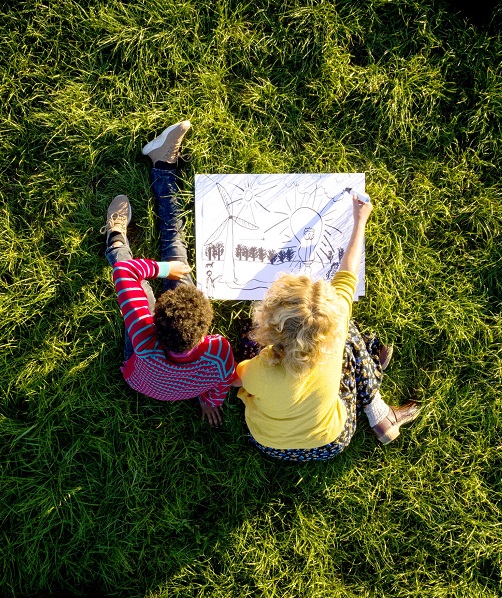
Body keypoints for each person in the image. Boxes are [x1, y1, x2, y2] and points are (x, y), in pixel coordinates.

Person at [233, 196, 420, 461]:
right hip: (332, 442)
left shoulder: (260, 369)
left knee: (244, 336)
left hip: (269, 445)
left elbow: (235, 379)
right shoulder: (336, 324)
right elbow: (348, 272)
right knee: (347, 332)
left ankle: (377, 407)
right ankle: (376, 409)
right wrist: (360, 221)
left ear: (271, 322)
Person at [101, 120, 236, 427]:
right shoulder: (218, 350)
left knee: (160, 256)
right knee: (175, 246)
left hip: (140, 370)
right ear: (205, 334)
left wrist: (164, 269)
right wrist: (209, 401)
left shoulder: (142, 331)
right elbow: (224, 381)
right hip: (163, 385)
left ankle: (115, 238)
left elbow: (124, 272)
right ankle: (163, 163)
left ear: (154, 316)